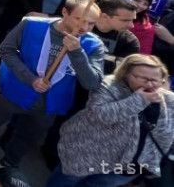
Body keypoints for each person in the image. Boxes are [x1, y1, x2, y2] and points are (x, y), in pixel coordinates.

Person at [0, 0, 105, 168]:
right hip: (15, 90)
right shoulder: (32, 24)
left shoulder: (93, 45)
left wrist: (77, 52)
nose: (84, 27)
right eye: (79, 19)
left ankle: (8, 164)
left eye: (91, 24)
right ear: (64, 12)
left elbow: (92, 83)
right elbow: (6, 50)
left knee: (27, 136)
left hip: (49, 104)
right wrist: (30, 79)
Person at [49, 54, 174, 186]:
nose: (149, 84)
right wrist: (138, 100)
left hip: (124, 169)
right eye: (142, 78)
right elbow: (99, 116)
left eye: (155, 80)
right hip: (87, 156)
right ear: (126, 74)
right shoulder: (108, 86)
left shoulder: (169, 100)